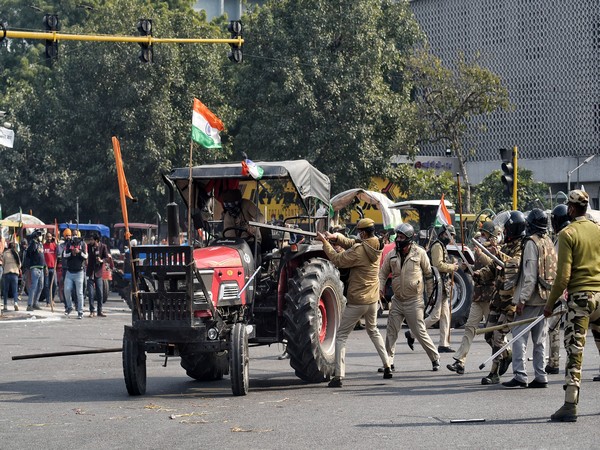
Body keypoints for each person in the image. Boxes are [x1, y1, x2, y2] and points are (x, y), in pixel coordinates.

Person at [544, 190, 600, 422]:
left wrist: (550, 304)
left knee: (575, 351)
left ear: (570, 209)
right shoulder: (598, 229)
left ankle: (570, 404)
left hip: (581, 298)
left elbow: (563, 276)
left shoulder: (568, 233)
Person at [316, 218, 392, 387]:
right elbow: (354, 242)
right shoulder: (375, 244)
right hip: (372, 300)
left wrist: (324, 242)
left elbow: (337, 259)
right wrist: (336, 237)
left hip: (357, 300)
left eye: (359, 232)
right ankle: (388, 365)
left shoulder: (359, 250)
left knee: (341, 336)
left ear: (364, 233)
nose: (358, 235)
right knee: (373, 331)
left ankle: (338, 376)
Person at [503, 209, 556, 388]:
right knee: (540, 339)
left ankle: (520, 374)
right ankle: (541, 375)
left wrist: (522, 300)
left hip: (531, 298)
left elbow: (530, 275)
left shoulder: (531, 243)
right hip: (546, 297)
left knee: (518, 336)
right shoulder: (548, 241)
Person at [379, 223, 440, 373]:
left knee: (419, 331)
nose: (398, 240)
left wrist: (431, 294)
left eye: (401, 237)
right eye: (397, 237)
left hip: (414, 300)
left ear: (409, 239)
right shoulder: (391, 254)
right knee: (391, 331)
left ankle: (435, 358)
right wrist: (380, 288)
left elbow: (428, 274)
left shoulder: (419, 253)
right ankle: (388, 362)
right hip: (398, 300)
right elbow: (382, 273)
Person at [475, 210, 526, 385]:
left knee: (498, 336)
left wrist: (500, 255)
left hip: (511, 301)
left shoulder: (523, 247)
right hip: (498, 299)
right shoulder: (505, 246)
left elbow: (514, 265)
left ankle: (494, 373)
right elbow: (493, 269)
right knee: (488, 335)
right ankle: (507, 353)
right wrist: (479, 275)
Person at [447, 221, 500, 374]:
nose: (482, 237)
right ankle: (460, 361)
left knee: (492, 334)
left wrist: (480, 253)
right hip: (478, 296)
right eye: (481, 234)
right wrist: (466, 266)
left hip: (490, 297)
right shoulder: (479, 249)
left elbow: (492, 263)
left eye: (484, 234)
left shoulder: (495, 249)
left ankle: (505, 352)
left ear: (491, 235)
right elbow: (476, 270)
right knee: (470, 328)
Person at [406, 224, 457, 353]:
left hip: (443, 284)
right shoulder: (437, 246)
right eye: (449, 235)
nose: (450, 238)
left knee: (445, 315)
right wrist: (452, 267)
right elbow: (438, 265)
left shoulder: (442, 246)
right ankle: (412, 333)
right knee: (435, 316)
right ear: (442, 234)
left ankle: (443, 344)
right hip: (437, 284)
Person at [545, 204, 571, 375]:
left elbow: (562, 269)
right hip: (576, 289)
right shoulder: (568, 233)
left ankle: (555, 363)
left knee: (560, 329)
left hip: (567, 290)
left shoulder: (564, 236)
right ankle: (555, 362)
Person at [63, 229, 88, 319]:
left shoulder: (83, 244)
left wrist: (79, 252)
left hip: (79, 272)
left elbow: (86, 256)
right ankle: (69, 306)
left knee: (79, 293)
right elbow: (64, 255)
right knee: (67, 290)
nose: (74, 237)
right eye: (73, 234)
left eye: (76, 235)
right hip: (69, 271)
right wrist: (71, 253)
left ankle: (80, 312)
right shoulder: (68, 244)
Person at [86, 233, 109, 317]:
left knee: (100, 292)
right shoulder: (89, 246)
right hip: (90, 272)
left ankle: (100, 310)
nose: (90, 241)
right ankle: (92, 311)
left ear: (96, 240)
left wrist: (101, 260)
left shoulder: (103, 246)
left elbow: (106, 258)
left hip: (98, 272)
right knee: (91, 293)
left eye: (92, 240)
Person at [24, 229, 46, 311]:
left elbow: (42, 256)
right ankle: (29, 305)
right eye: (40, 235)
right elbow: (29, 252)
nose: (41, 236)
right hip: (35, 267)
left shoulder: (40, 244)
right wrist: (34, 239)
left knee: (41, 286)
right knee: (34, 286)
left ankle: (35, 303)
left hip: (41, 267)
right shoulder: (33, 243)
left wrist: (45, 266)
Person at [2, 236, 21, 312]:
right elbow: (19, 264)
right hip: (14, 274)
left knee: (5, 290)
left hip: (6, 273)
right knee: (15, 290)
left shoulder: (5, 253)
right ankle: (15, 303)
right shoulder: (16, 253)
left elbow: (3, 264)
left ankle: (5, 305)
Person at [42, 231, 59, 307]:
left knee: (54, 284)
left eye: (50, 237)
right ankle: (48, 301)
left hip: (53, 267)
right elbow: (42, 258)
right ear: (45, 237)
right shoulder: (43, 246)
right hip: (46, 268)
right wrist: (45, 266)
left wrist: (56, 243)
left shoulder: (54, 246)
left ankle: (52, 299)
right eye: (47, 237)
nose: (49, 238)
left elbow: (59, 253)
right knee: (46, 285)